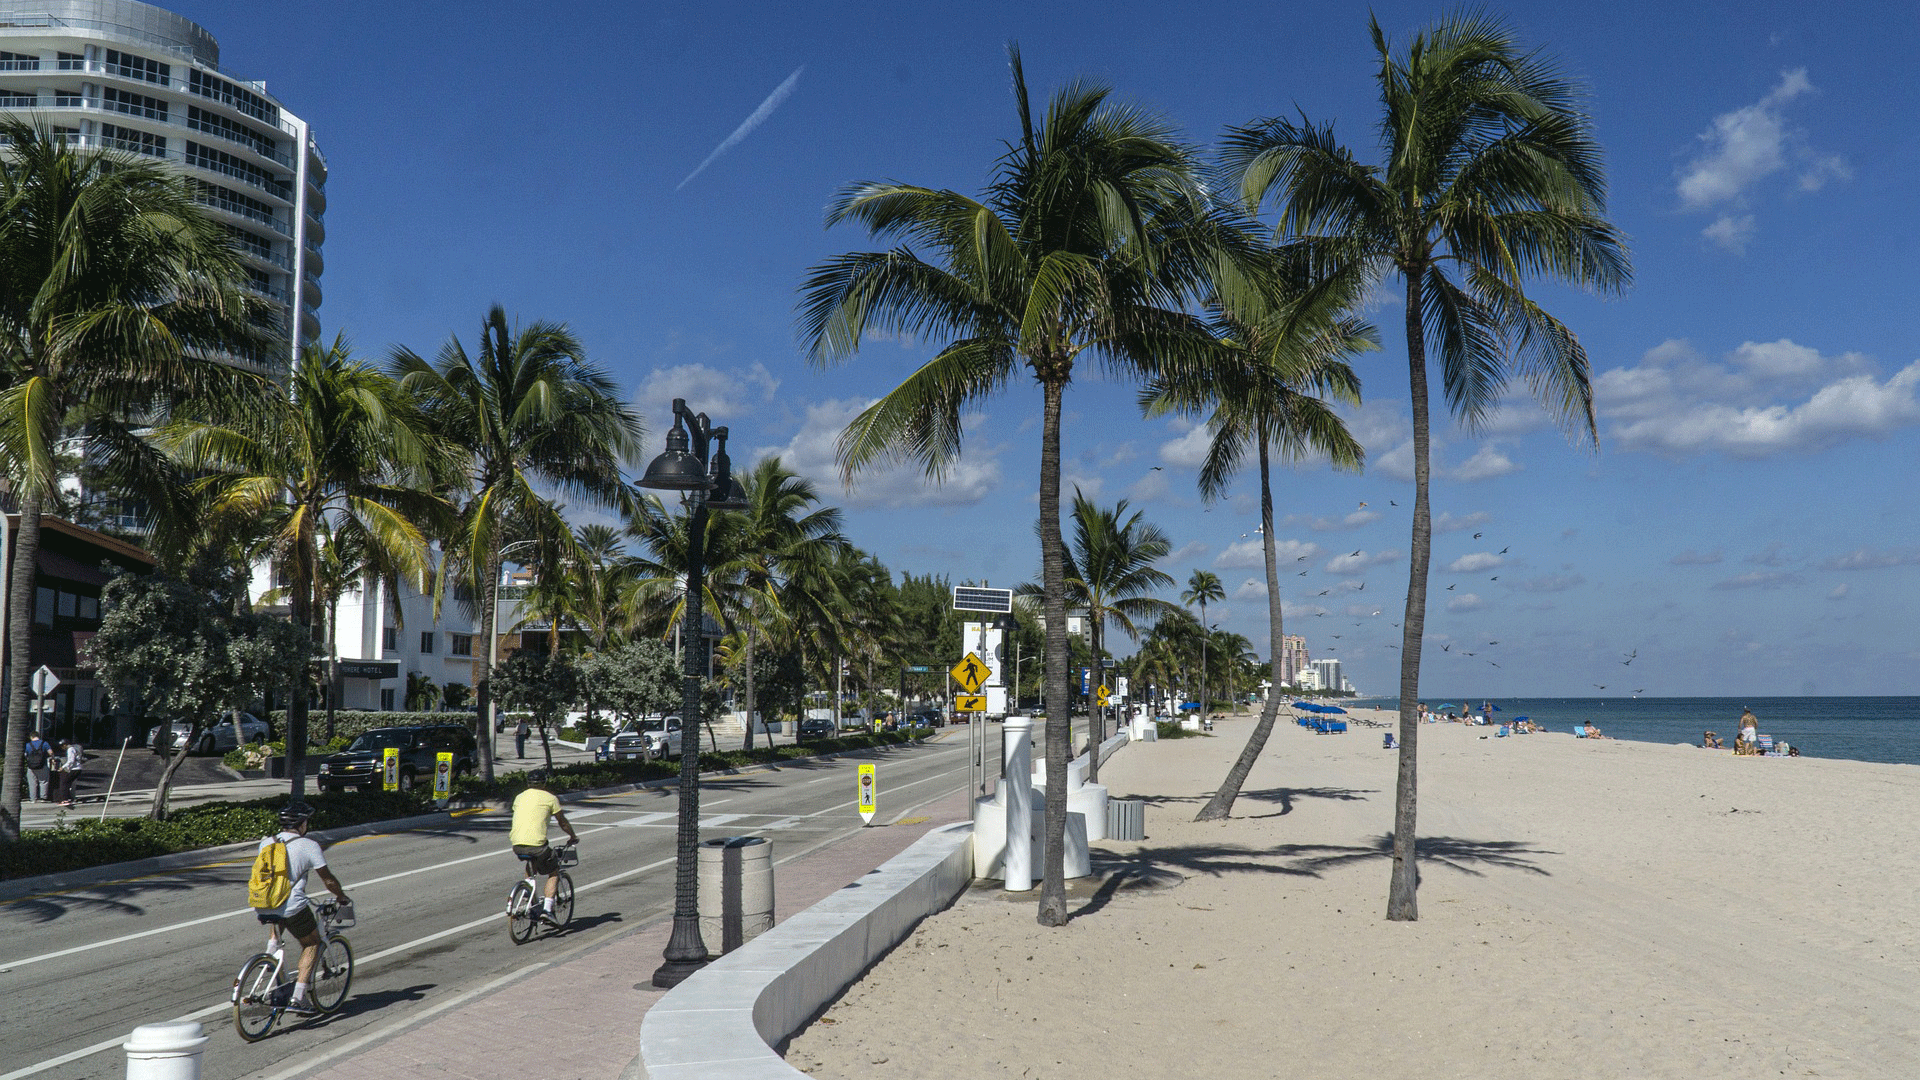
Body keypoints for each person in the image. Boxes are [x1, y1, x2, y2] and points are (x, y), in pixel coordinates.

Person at [256, 802, 351, 1014]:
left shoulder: (266, 843)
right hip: (292, 906)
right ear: (302, 823)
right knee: (312, 943)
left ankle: (269, 958)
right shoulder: (309, 845)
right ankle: (297, 997)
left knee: (277, 923)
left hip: (264, 903)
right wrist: (341, 896)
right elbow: (328, 880)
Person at [509, 774, 578, 924]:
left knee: (530, 863)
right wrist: (572, 836)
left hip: (517, 845)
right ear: (544, 783)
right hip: (538, 845)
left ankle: (527, 894)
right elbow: (562, 822)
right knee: (553, 872)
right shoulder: (550, 798)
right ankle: (547, 910)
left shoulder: (519, 797)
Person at [23, 730, 52, 803]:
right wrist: (52, 758)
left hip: (31, 767)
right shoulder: (44, 743)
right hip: (42, 765)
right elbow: (51, 752)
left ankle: (33, 799)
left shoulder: (28, 745)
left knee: (32, 783)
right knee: (43, 781)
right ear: (38, 736)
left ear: (31, 737)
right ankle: (43, 798)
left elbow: (25, 755)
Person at [54, 738, 84, 806]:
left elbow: (71, 761)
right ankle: (69, 798)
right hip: (78, 768)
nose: (62, 748)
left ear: (65, 744)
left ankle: (65, 800)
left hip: (75, 769)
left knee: (64, 782)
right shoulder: (73, 748)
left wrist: (63, 767)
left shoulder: (70, 749)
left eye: (62, 746)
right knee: (68, 783)